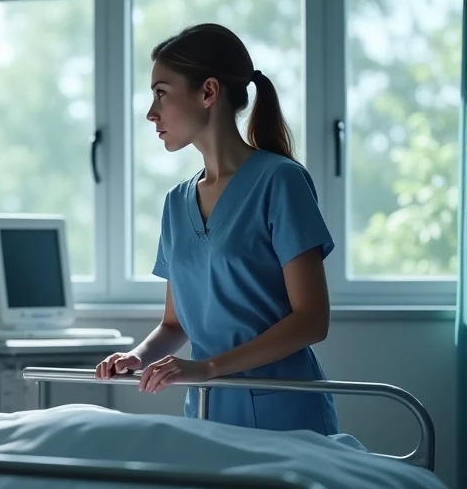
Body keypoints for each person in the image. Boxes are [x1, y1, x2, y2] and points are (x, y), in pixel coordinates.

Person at [96, 23, 338, 436]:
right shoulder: (176, 203)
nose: (151, 113)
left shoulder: (280, 182)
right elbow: (175, 325)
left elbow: (312, 320)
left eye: (160, 92)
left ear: (208, 92)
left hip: (287, 413)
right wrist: (137, 356)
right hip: (209, 412)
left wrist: (206, 367)